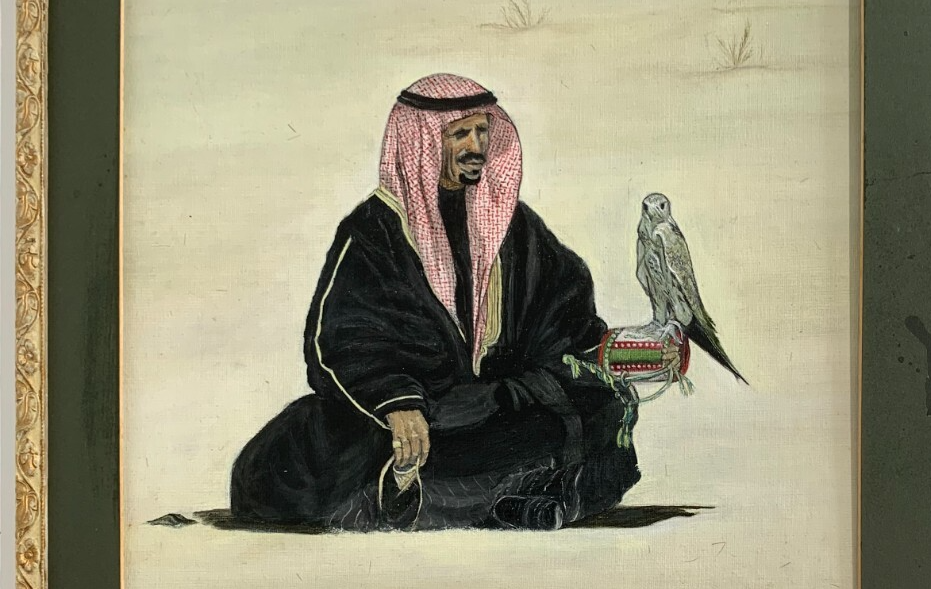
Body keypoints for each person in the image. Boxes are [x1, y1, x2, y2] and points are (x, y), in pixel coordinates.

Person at [229, 73, 641, 531]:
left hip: (491, 409)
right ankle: (509, 496)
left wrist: (613, 354)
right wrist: (396, 401)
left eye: (482, 131)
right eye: (460, 134)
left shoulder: (511, 221)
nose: (476, 146)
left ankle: (520, 500)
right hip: (412, 416)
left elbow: (564, 309)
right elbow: (340, 341)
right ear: (422, 142)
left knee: (601, 408)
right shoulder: (375, 230)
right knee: (360, 450)